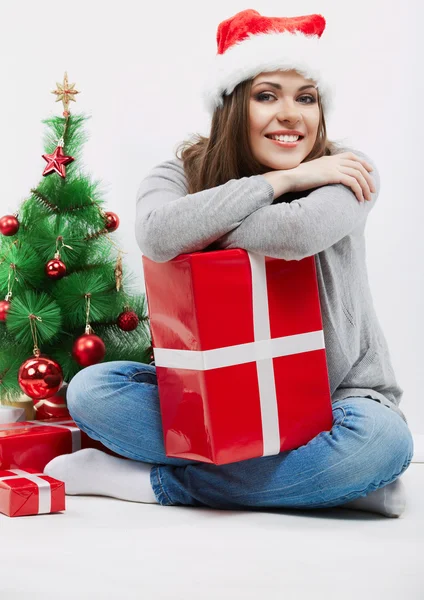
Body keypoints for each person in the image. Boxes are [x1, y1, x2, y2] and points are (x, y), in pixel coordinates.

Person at [44, 9, 414, 517]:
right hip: (213, 393)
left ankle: (159, 484)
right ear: (233, 104)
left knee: (381, 446)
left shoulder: (347, 171)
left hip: (340, 399)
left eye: (306, 98)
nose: (291, 114)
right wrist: (279, 183)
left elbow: (294, 233)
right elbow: (155, 234)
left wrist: (197, 226)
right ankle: (331, 482)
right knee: (90, 391)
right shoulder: (178, 171)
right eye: (268, 96)